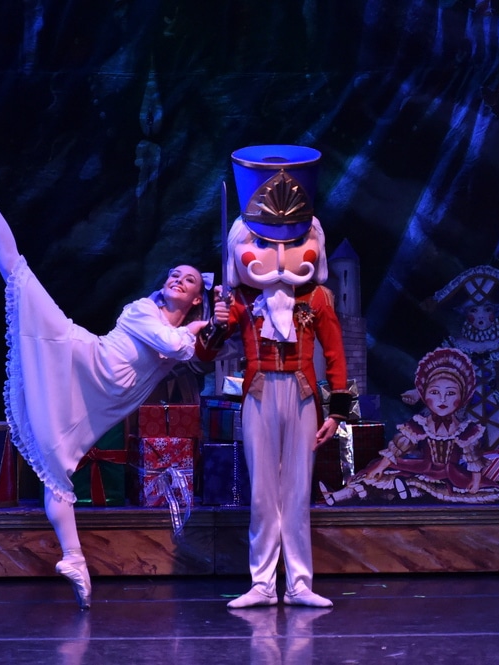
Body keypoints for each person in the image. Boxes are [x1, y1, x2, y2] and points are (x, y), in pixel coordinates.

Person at [0, 128, 210, 610]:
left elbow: (195, 357)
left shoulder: (180, 335)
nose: (178, 278)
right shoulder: (142, 311)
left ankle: (75, 560)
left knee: (57, 472)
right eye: (174, 273)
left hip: (94, 405)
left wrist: (212, 326)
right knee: (16, 269)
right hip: (77, 357)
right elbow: (176, 346)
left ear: (197, 296)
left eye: (189, 279)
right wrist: (197, 328)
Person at [198, 145, 351, 609]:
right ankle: (263, 583)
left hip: (303, 398)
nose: (280, 258)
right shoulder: (241, 301)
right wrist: (214, 322)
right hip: (259, 395)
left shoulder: (317, 299)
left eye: (291, 244)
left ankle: (299, 583)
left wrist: (337, 413)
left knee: (297, 492)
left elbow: (336, 356)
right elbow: (206, 355)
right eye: (265, 245)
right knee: (264, 493)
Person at [321, 347, 499, 505]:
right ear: (425, 395)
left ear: (461, 397)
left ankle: (408, 493)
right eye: (434, 392)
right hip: (423, 468)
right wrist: (380, 467)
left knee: (488, 493)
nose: (442, 400)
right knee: (376, 474)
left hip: (451, 475)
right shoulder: (421, 424)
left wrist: (476, 481)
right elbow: (399, 447)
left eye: (450, 394)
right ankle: (339, 496)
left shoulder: (465, 430)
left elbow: (473, 458)